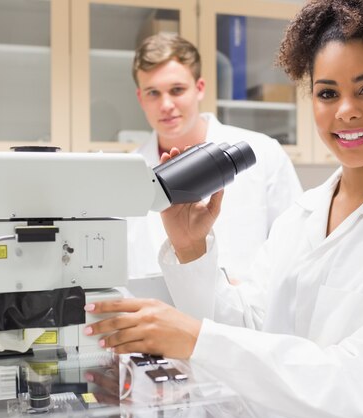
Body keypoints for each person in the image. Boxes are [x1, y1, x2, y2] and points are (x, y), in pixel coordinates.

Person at [85, 1, 363, 418]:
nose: (346, 110)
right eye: (327, 93)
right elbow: (248, 326)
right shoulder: (304, 214)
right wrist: (191, 249)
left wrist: (195, 338)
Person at [126, 33, 302, 282]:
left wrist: (240, 293)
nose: (165, 104)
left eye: (177, 90)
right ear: (140, 98)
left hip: (245, 316)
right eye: (153, 92)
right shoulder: (125, 175)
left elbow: (296, 248)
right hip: (157, 315)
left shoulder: (263, 153)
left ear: (199, 89)